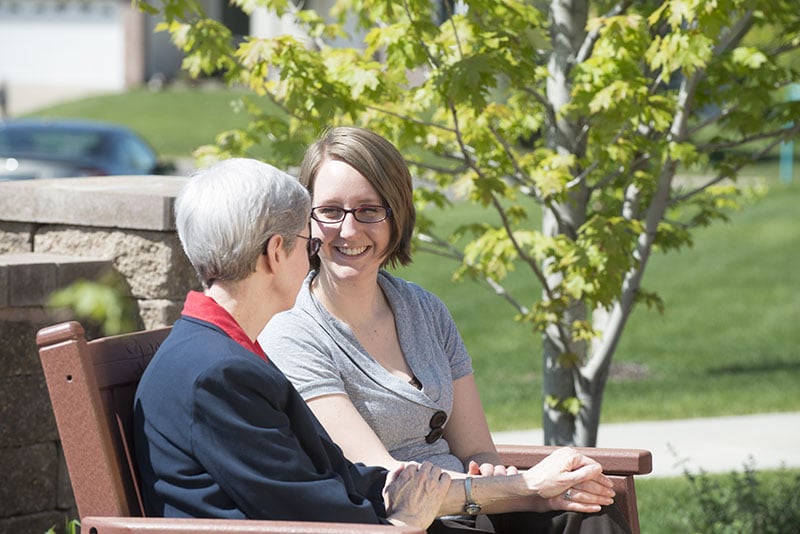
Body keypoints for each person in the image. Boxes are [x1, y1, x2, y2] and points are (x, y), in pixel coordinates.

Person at [259, 127, 630, 533]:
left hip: (473, 507)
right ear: (307, 221)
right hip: (392, 519)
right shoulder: (292, 333)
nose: (348, 231)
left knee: (589, 516)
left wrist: (540, 486)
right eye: (330, 211)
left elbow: (475, 448)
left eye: (369, 210)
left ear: (396, 214)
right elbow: (388, 483)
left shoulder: (425, 310)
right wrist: (528, 487)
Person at [133, 157, 449, 529]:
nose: (313, 256)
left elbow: (322, 482)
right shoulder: (219, 375)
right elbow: (311, 514)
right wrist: (408, 521)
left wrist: (417, 490)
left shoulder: (222, 353)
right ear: (275, 252)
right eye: (308, 243)